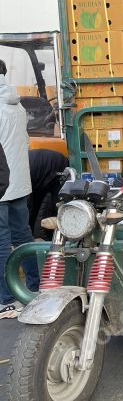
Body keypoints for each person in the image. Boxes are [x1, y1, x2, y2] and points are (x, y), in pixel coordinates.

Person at [0, 60, 39, 319]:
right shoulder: (15, 104)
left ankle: (7, 300)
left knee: (1, 243)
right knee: (22, 236)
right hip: (18, 182)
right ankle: (35, 289)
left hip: (1, 184)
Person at [28, 149, 69, 240]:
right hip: (39, 175)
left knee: (60, 209)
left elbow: (27, 208)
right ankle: (29, 237)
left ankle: (62, 240)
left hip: (58, 168)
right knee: (32, 209)